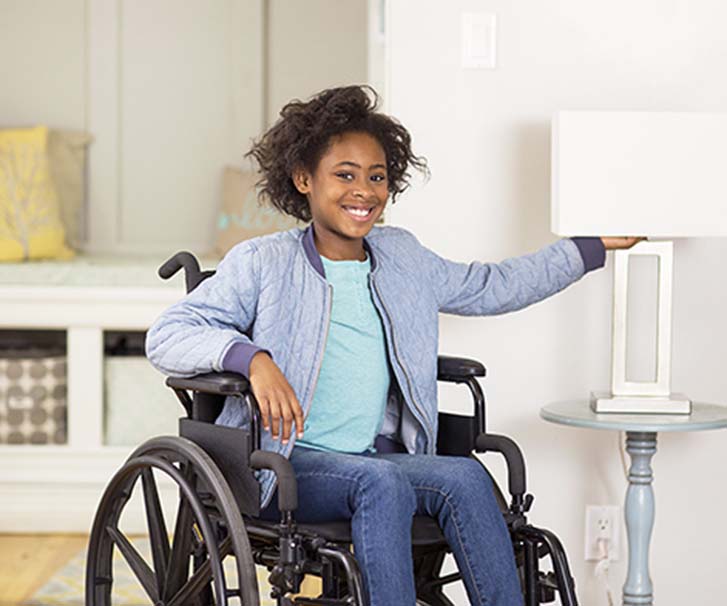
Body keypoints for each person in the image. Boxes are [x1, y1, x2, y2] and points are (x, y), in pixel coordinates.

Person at [146, 85, 640, 606]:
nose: (364, 191)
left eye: (376, 176)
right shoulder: (263, 263)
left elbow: (492, 286)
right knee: (379, 485)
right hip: (286, 464)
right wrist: (253, 359)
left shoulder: (402, 255)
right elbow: (169, 334)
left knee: (466, 477)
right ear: (303, 180)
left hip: (379, 458)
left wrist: (589, 248)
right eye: (344, 174)